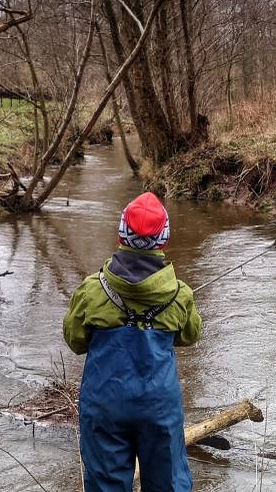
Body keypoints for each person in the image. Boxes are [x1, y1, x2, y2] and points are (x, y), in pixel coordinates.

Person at [63, 192, 202, 492]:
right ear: (163, 240)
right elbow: (190, 335)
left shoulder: (91, 290)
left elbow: (75, 340)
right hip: (159, 409)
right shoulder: (181, 294)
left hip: (104, 406)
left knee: (105, 486)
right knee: (168, 485)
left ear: (121, 236)